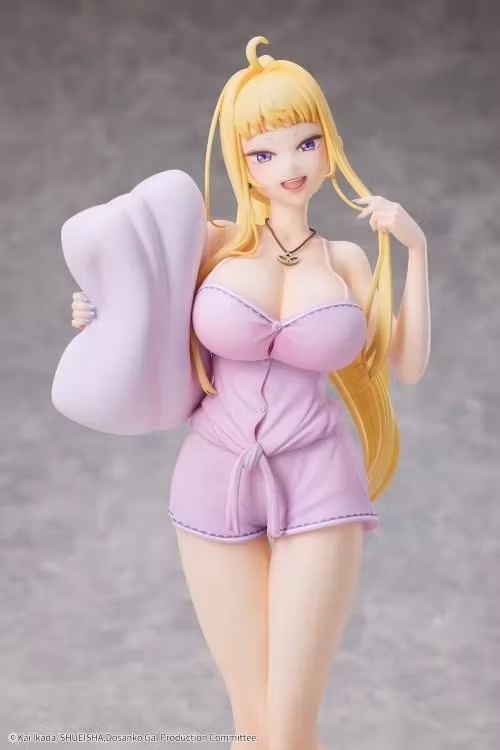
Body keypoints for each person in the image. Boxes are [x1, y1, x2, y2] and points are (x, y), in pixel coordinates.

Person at [70, 35, 430, 750]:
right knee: (250, 724)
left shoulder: (346, 261)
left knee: (290, 727)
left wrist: (417, 252)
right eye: (264, 153)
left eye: (306, 144)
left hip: (318, 476)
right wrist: (95, 312)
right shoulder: (213, 244)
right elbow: (139, 306)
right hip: (213, 474)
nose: (289, 167)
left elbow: (408, 364)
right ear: (241, 161)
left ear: (328, 144)